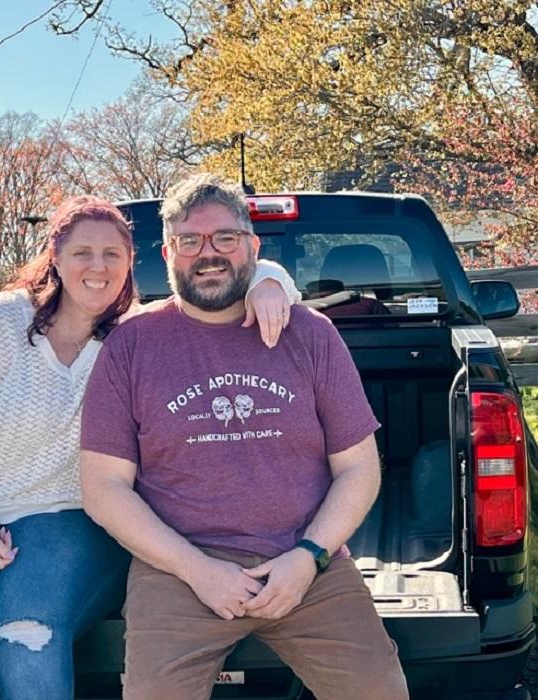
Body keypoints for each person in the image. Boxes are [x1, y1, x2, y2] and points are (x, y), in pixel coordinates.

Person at [0, 194, 299, 700]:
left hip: (63, 520)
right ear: (55, 256)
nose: (98, 267)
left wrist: (270, 280)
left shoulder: (136, 337)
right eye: (82, 253)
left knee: (24, 637)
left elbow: (226, 274)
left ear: (131, 264)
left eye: (112, 255)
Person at [80, 175, 409, 700]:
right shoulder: (130, 347)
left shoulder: (311, 334)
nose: (208, 254)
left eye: (225, 239)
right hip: (179, 572)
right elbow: (103, 488)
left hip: (307, 564)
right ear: (169, 253)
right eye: (190, 241)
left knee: (379, 690)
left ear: (253, 247)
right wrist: (197, 569)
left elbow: (359, 469)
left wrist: (307, 559)